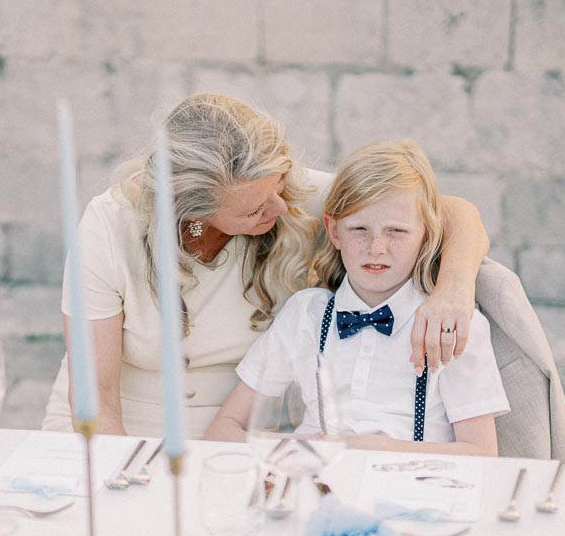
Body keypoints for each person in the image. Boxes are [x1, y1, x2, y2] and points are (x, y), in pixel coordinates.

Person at [41, 95, 492, 438]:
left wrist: (453, 288)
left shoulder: (279, 194)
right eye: (256, 207)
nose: (280, 205)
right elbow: (95, 399)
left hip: (231, 442)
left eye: (278, 185)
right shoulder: (108, 226)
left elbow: (446, 209)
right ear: (193, 211)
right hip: (109, 436)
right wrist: (130, 484)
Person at [205, 139, 509, 455]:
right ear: (334, 232)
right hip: (314, 484)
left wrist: (377, 449)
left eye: (397, 232)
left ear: (426, 235)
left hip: (413, 491)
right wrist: (298, 445)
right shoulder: (305, 315)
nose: (376, 247)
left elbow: (482, 454)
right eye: (359, 229)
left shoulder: (450, 325)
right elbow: (222, 429)